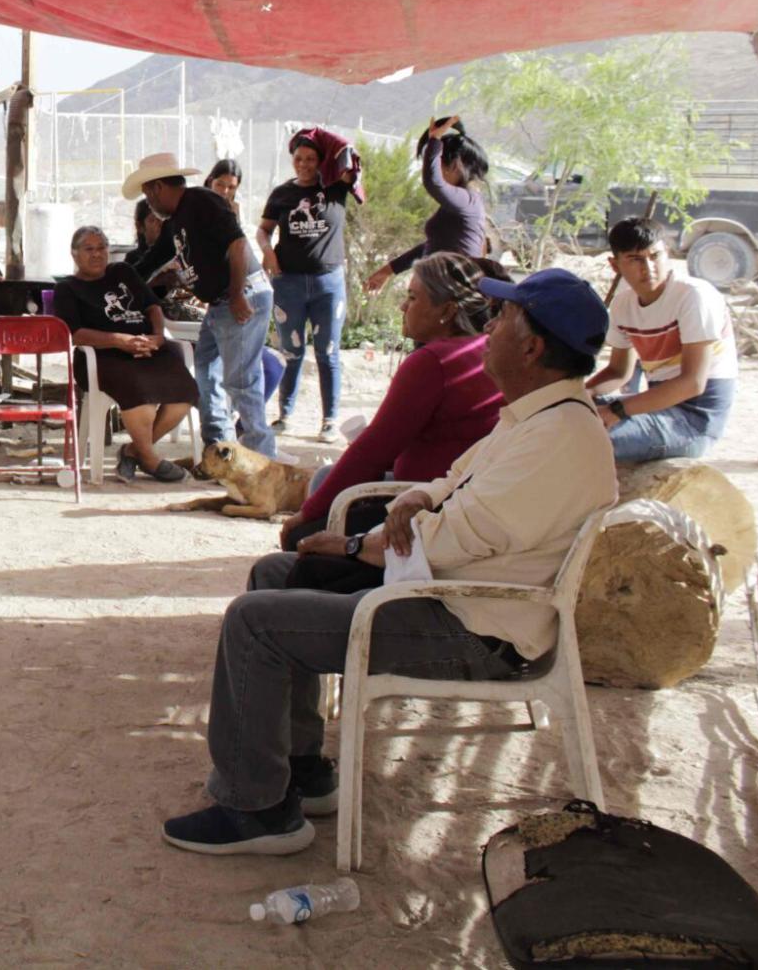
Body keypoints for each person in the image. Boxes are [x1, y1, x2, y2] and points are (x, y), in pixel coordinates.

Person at [161, 268, 617, 855]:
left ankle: (254, 811)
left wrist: (358, 545)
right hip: (444, 592)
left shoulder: (557, 437)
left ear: (531, 347)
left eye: (504, 318)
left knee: (254, 621)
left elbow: (454, 536)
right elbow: (451, 482)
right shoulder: (536, 416)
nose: (491, 327)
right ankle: (299, 769)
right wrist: (413, 498)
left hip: (471, 627)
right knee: (275, 574)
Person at [278, 253, 506, 549]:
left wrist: (305, 515)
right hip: (454, 493)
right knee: (325, 477)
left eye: (412, 298)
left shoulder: (433, 361)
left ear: (447, 311)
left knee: (302, 535)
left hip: (423, 504)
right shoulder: (481, 348)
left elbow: (374, 450)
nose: (403, 306)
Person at [124, 152, 277, 457]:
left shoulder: (201, 202)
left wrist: (236, 295)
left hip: (240, 295)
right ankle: (219, 446)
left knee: (241, 382)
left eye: (147, 194)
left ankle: (263, 459)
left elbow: (237, 244)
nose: (148, 203)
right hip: (220, 305)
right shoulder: (175, 220)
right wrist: (117, 281)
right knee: (206, 371)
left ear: (156, 188)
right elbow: (151, 262)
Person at [52, 226, 197, 484]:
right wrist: (119, 341)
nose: (97, 254)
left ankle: (133, 451)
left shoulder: (123, 272)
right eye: (89, 249)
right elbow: (75, 334)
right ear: (74, 254)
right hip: (102, 357)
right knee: (139, 392)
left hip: (145, 349)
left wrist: (158, 336)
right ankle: (150, 460)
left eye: (101, 248)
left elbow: (152, 306)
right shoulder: (68, 288)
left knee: (185, 390)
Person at [586, 217, 738, 462]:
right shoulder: (624, 304)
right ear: (615, 265)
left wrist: (617, 410)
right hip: (657, 407)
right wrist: (582, 395)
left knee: (584, 441)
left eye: (655, 256)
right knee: (567, 418)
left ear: (667, 253)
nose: (648, 267)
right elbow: (618, 372)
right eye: (635, 260)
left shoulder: (693, 296)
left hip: (693, 422)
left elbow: (692, 383)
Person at [259, 131, 357, 440]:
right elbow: (263, 231)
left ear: (321, 161)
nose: (304, 164)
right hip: (288, 284)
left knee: (328, 351)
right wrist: (268, 252)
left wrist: (318, 134)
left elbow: (350, 154)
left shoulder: (337, 187)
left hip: (328, 284)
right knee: (292, 351)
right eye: (299, 158)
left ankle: (329, 420)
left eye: (311, 159)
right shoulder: (281, 194)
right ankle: (284, 415)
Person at [366, 117, 491, 292]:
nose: (437, 169)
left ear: (455, 165)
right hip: (439, 288)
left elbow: (433, 182)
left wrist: (435, 141)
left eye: (438, 163)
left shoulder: (468, 200)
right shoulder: (461, 203)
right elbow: (434, 244)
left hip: (453, 293)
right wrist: (387, 271)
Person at [125, 198, 166, 267]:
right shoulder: (133, 259)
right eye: (153, 220)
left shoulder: (173, 251)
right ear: (139, 227)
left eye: (163, 218)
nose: (160, 223)